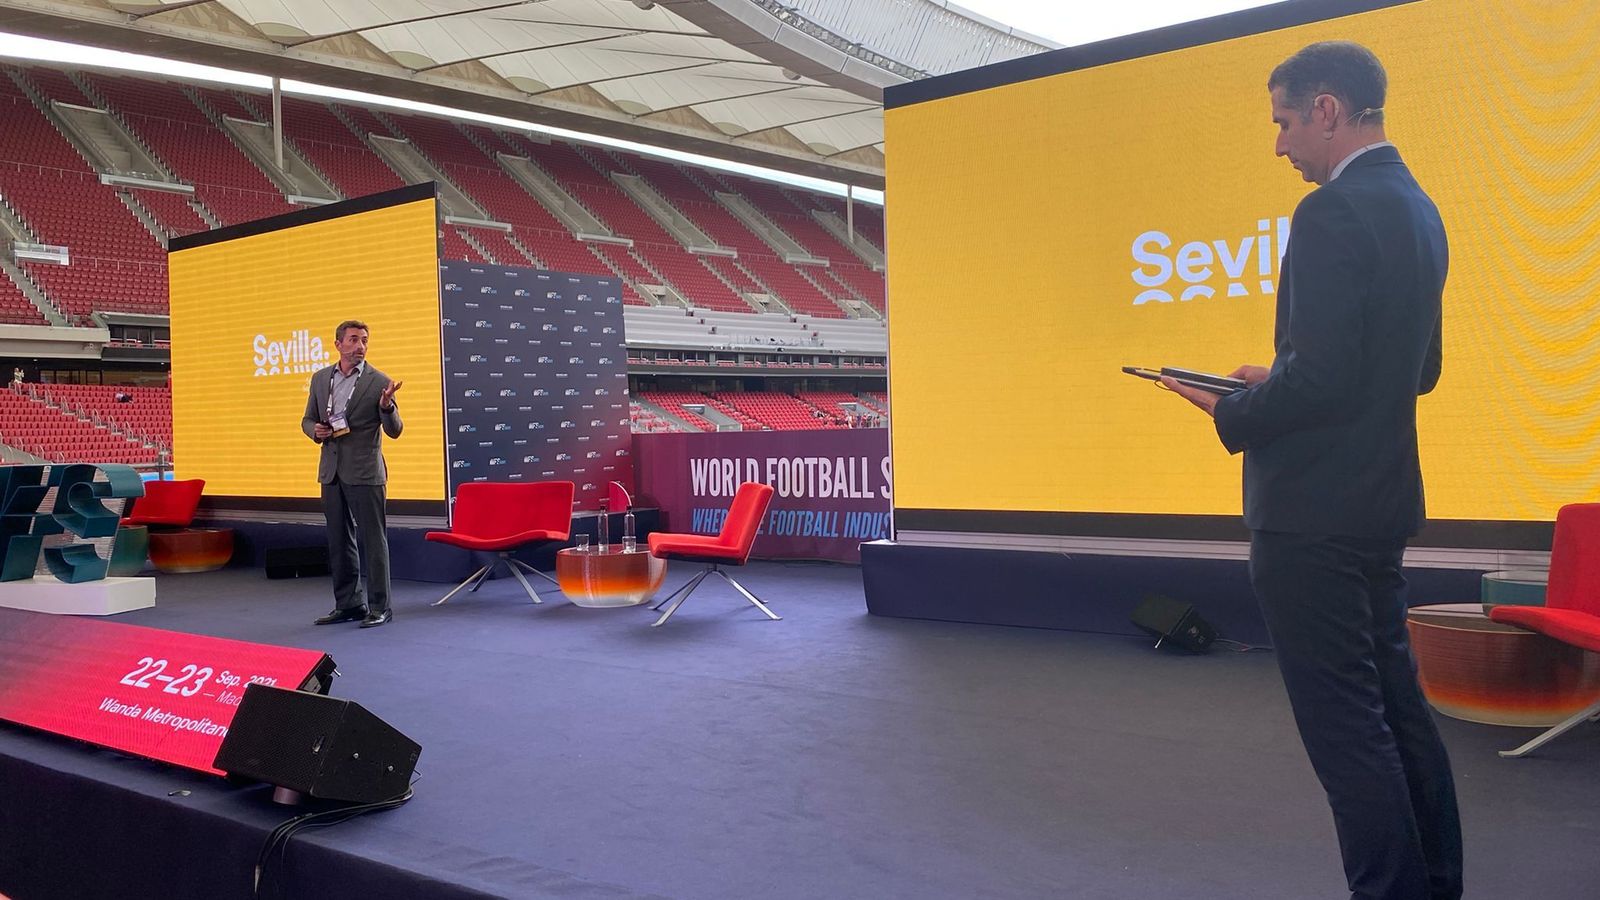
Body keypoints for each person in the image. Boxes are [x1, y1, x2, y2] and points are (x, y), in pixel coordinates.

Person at [1161, 42, 1461, 900]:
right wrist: (1281, 373)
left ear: (1327, 110)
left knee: (1347, 736)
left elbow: (1325, 380)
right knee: (1400, 719)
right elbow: (1419, 368)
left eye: (1285, 123)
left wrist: (1233, 407)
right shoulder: (1420, 209)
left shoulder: (1331, 214)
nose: (1280, 145)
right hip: (1378, 508)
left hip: (1310, 520)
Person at [301, 320, 404, 628]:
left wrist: (387, 407)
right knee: (338, 540)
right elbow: (306, 419)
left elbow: (395, 430)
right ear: (338, 345)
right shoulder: (320, 379)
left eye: (364, 341)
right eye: (354, 340)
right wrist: (315, 431)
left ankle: (380, 607)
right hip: (331, 471)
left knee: (373, 540)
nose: (361, 346)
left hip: (366, 472)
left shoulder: (378, 381)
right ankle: (348, 604)